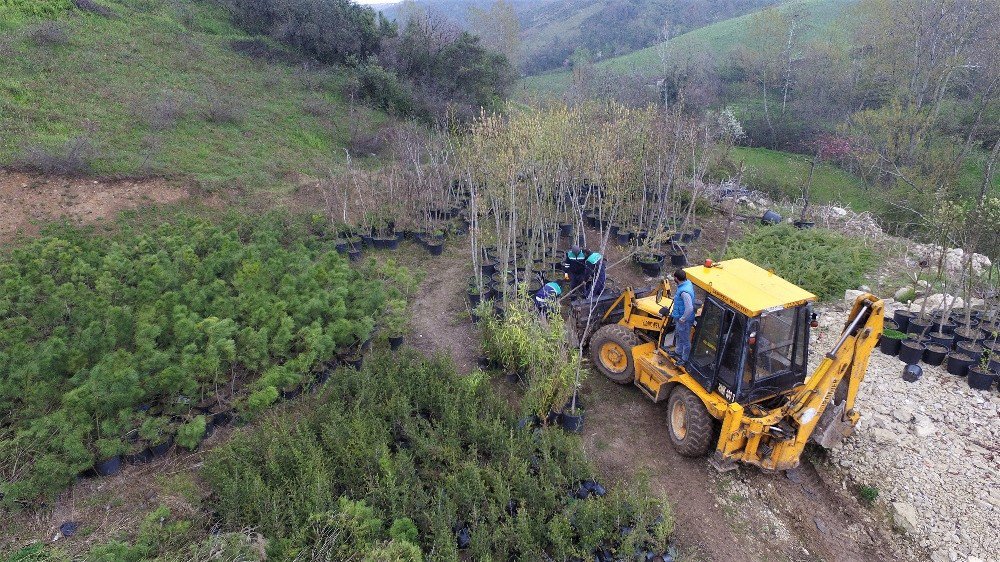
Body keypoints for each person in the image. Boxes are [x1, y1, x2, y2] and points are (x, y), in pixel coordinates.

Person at [669, 268, 695, 366]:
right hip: (679, 317)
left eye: (674, 277)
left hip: (684, 319)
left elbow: (689, 308)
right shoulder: (685, 284)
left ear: (676, 278)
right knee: (679, 335)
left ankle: (684, 359)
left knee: (685, 340)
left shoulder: (684, 292)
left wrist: (683, 319)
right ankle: (677, 352)